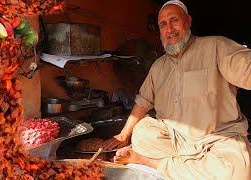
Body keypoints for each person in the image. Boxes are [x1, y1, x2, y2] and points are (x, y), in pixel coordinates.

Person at [103, 0, 251, 179]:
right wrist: (123, 135)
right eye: (163, 25)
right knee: (141, 132)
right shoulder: (159, 66)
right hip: (175, 140)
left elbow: (245, 66)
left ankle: (153, 163)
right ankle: (188, 167)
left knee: (236, 171)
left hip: (217, 140)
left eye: (174, 20)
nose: (169, 29)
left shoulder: (216, 47)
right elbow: (143, 101)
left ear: (188, 21)